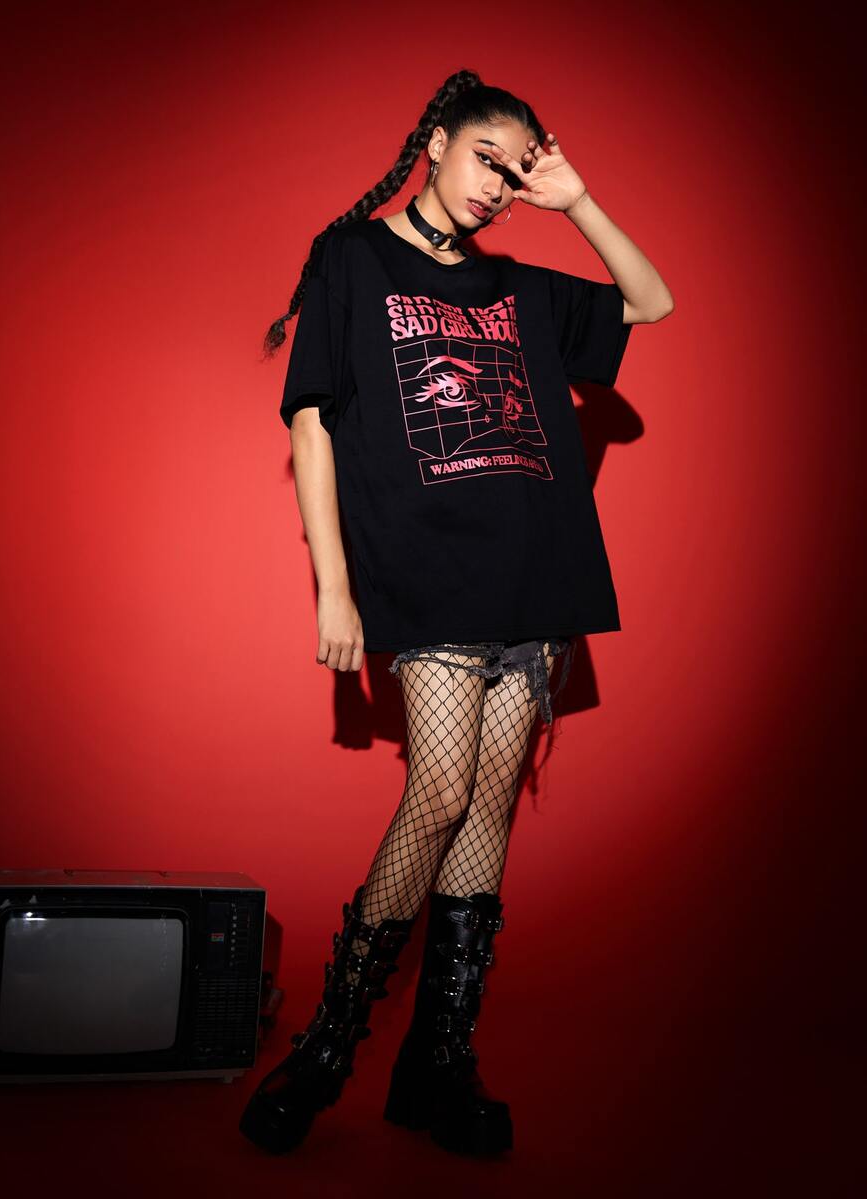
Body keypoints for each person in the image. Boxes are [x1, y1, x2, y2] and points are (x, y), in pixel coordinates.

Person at [239, 68, 674, 1158]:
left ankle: (438, 1066)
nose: (497, 186)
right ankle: (324, 1053)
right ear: (436, 142)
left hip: (532, 576)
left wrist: (575, 201)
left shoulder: (518, 287)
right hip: (427, 573)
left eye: (514, 175)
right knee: (436, 796)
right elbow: (311, 421)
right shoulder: (353, 259)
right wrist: (335, 584)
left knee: (485, 814)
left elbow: (652, 301)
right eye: (488, 158)